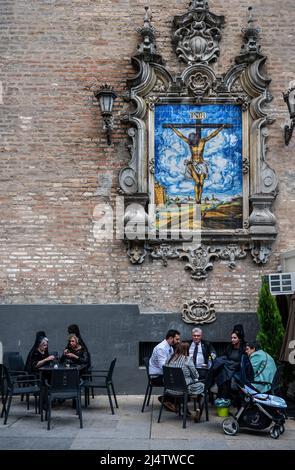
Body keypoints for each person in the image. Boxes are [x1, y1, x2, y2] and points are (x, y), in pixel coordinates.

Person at [167, 123, 225, 204]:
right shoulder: (190, 143)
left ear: (196, 139)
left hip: (202, 164)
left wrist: (221, 128)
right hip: (192, 164)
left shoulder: (203, 141)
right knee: (197, 182)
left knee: (201, 182)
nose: (192, 144)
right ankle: (197, 198)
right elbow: (181, 136)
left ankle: (199, 199)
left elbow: (212, 135)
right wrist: (172, 128)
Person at [166, 342, 205, 419]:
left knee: (183, 384)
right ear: (186, 350)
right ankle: (199, 411)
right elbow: (196, 375)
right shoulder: (187, 360)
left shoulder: (169, 359)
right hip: (184, 389)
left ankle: (185, 410)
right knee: (203, 387)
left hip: (170, 389)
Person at [149, 329, 181, 412]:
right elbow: (163, 367)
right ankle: (168, 400)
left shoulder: (170, 347)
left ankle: (170, 401)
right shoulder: (161, 348)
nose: (178, 341)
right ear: (171, 338)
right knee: (178, 381)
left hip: (164, 374)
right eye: (177, 339)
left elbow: (172, 361)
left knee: (181, 378)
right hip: (157, 377)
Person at [212, 325, 247, 400]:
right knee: (222, 373)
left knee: (225, 377)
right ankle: (222, 399)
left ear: (239, 339)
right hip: (228, 369)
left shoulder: (244, 348)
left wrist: (231, 364)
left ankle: (223, 398)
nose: (232, 340)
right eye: (231, 338)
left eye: (234, 338)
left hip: (237, 370)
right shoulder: (229, 347)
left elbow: (243, 362)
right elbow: (224, 357)